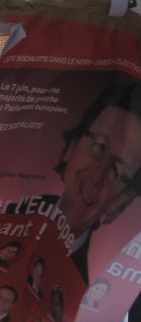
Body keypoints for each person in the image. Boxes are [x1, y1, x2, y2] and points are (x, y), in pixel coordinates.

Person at [56, 84, 141, 284]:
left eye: (115, 171)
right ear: (71, 147)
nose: (96, 175)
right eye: (99, 147)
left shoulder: (87, 284)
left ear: (121, 202)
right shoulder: (1, 213)